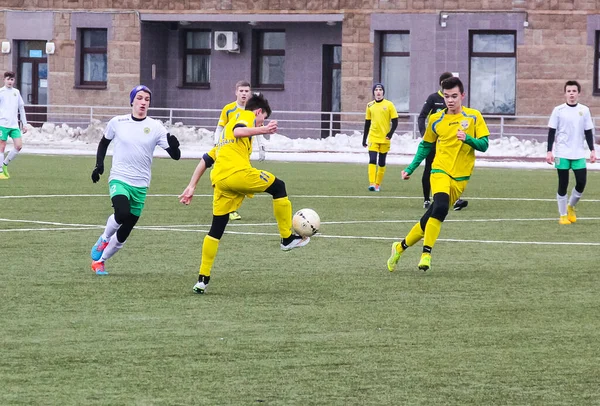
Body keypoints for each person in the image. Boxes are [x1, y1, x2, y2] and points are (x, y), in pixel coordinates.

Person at [183, 93, 308, 294]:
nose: (262, 121)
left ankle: (202, 280)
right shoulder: (247, 116)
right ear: (258, 112)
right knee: (279, 187)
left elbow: (206, 159)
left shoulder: (224, 137)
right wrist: (263, 129)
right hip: (236, 174)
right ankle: (286, 238)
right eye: (263, 118)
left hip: (220, 181)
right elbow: (239, 130)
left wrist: (191, 186)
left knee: (216, 229)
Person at [387, 77, 489, 272]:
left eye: (454, 96)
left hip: (460, 178)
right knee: (441, 207)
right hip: (439, 170)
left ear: (462, 96)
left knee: (430, 216)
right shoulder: (436, 119)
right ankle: (426, 253)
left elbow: (484, 145)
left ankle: (399, 247)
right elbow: (425, 146)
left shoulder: (474, 117)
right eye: (447, 96)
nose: (450, 100)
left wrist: (468, 139)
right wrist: (411, 168)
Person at [89, 85, 181, 275]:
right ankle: (104, 237)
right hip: (119, 178)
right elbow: (104, 142)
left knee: (125, 231)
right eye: (139, 98)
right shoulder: (117, 122)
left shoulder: (155, 127)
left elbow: (175, 155)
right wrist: (99, 165)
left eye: (147, 99)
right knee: (121, 212)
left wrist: (174, 146)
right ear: (132, 101)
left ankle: (100, 262)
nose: (143, 102)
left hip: (141, 184)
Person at [214, 80, 266, 221]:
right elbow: (220, 127)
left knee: (241, 181)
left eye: (246, 91)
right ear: (236, 92)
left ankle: (231, 208)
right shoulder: (229, 109)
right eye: (241, 91)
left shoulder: (252, 110)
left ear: (250, 93)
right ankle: (227, 210)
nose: (244, 93)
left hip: (243, 152)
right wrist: (216, 143)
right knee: (224, 178)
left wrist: (261, 146)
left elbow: (257, 127)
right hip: (228, 150)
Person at [546, 80, 596, 225]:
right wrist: (549, 151)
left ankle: (571, 206)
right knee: (563, 183)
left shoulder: (584, 110)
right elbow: (551, 132)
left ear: (578, 93)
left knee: (581, 182)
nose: (571, 94)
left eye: (574, 91)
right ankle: (562, 215)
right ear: (565, 93)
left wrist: (592, 150)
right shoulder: (558, 110)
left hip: (579, 153)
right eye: (569, 91)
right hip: (561, 153)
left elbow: (588, 132)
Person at [418, 72, 468, 211]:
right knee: (429, 169)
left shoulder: (455, 100)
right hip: (434, 141)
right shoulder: (433, 98)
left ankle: (455, 199)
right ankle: (427, 199)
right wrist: (424, 134)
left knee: (452, 168)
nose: (450, 98)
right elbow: (422, 116)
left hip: (450, 142)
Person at [362, 83, 398, 192]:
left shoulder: (389, 105)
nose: (378, 91)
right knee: (372, 159)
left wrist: (390, 134)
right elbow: (367, 123)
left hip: (384, 139)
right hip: (373, 137)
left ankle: (378, 184)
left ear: (383, 92)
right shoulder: (369, 106)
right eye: (376, 89)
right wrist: (364, 139)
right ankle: (372, 183)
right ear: (373, 92)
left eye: (380, 89)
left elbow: (395, 122)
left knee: (381, 162)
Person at [0, 71, 28, 180]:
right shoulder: (1, 92)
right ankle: (0, 170)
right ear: (4, 80)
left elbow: (21, 108)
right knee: (2, 146)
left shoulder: (16, 92)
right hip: (2, 124)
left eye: (12, 79)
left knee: (18, 146)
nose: (10, 81)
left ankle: (5, 164)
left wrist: (24, 124)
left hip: (14, 125)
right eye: (8, 79)